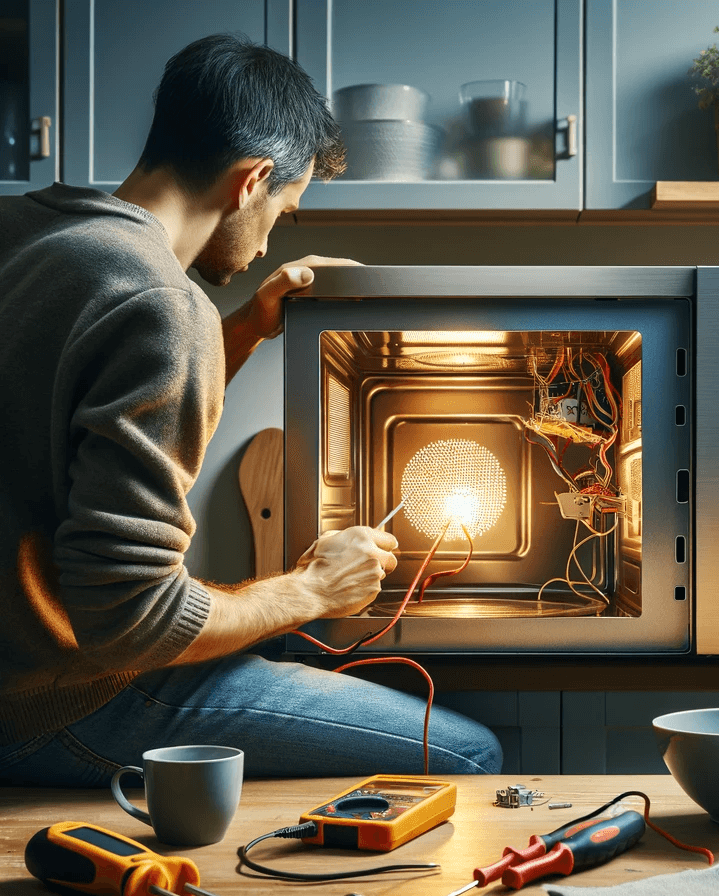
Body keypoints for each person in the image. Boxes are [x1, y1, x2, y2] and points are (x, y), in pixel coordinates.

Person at [0, 34, 502, 784]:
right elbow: (131, 625)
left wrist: (243, 328)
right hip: (56, 705)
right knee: (471, 753)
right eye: (285, 210)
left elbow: (74, 408)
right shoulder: (164, 304)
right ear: (251, 180)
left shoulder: (34, 231)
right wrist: (312, 591)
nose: (270, 240)